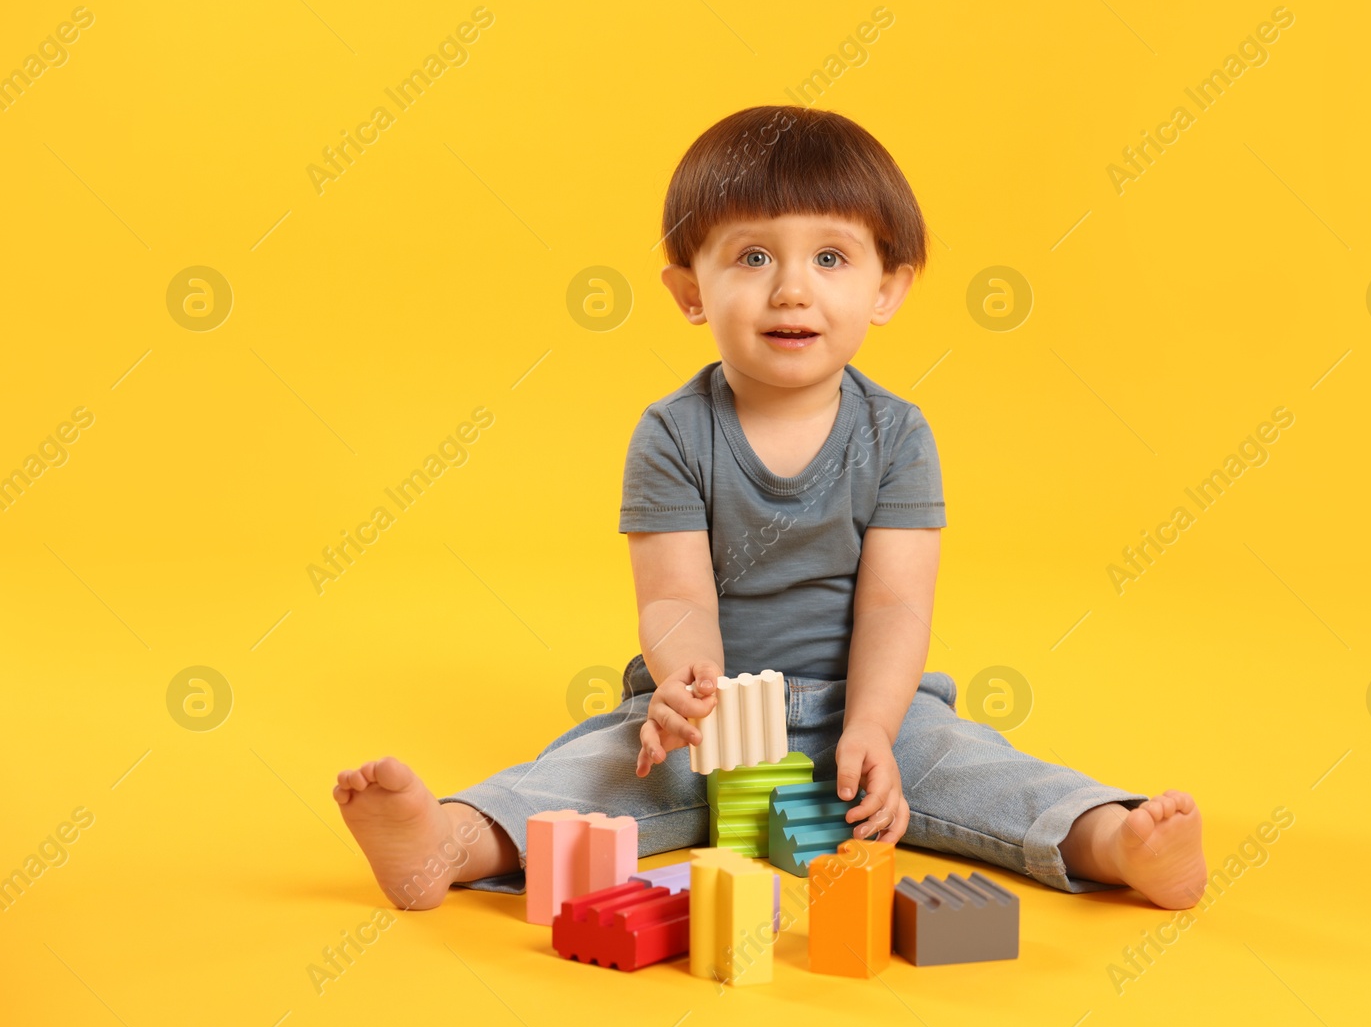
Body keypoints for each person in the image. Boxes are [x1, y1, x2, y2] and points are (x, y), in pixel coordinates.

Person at [333, 104, 1206, 913]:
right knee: (598, 773)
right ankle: (447, 839)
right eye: (754, 257)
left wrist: (872, 723)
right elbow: (676, 597)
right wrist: (686, 690)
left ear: (886, 289)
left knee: (976, 769)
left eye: (830, 258)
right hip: (713, 705)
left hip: (866, 705)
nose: (792, 288)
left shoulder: (898, 434)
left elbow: (897, 603)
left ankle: (1113, 840)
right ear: (689, 291)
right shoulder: (673, 433)